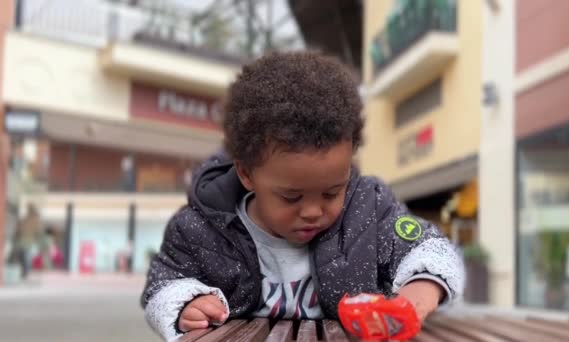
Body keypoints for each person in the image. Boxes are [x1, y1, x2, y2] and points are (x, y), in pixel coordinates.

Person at [141, 51, 464, 340]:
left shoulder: (368, 210)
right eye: (291, 197)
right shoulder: (202, 227)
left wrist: (419, 293)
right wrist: (185, 302)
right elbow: (163, 282)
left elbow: (430, 249)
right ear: (246, 173)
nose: (312, 211)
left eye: (331, 192)